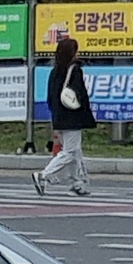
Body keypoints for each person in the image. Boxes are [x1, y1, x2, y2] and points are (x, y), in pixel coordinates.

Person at [38, 29, 93, 197]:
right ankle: (44, 175)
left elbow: (50, 96)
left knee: (75, 152)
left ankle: (78, 183)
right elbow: (80, 94)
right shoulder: (74, 70)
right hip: (72, 117)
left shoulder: (55, 71)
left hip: (59, 116)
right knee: (69, 152)